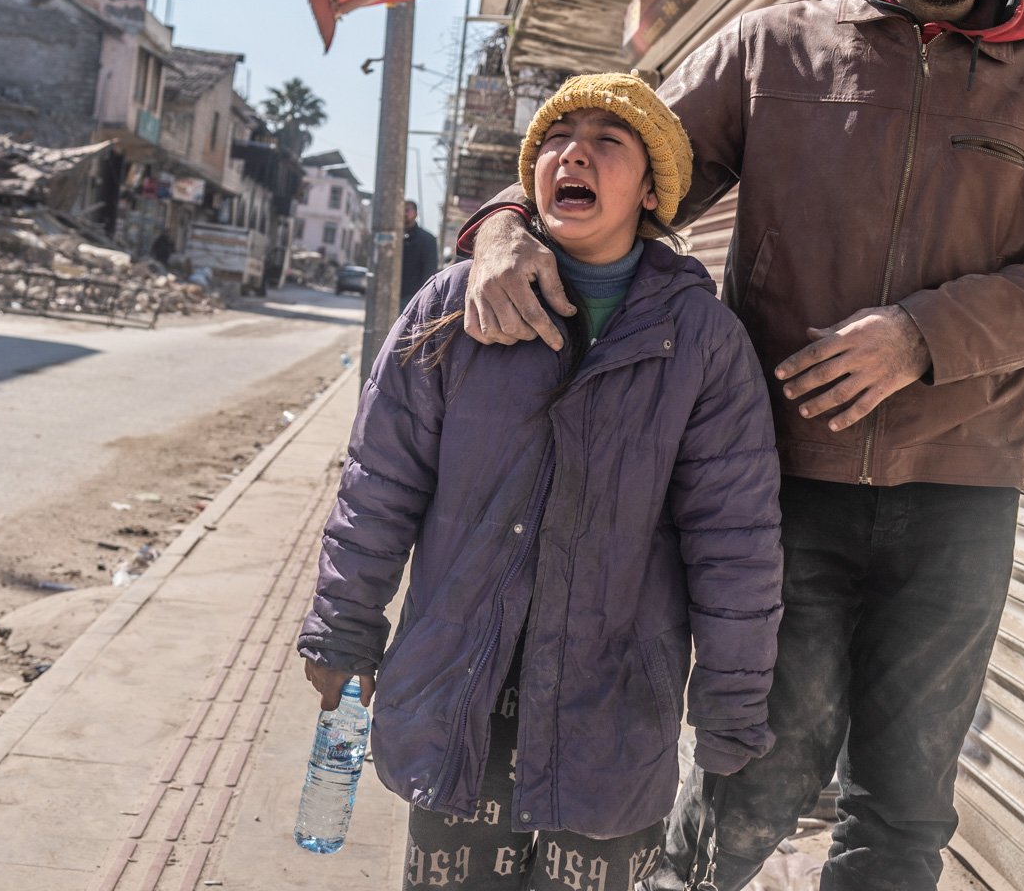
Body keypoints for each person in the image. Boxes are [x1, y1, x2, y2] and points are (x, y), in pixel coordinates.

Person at [458, 0, 1024, 889]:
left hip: (962, 496)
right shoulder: (771, 49)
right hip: (784, 487)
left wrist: (921, 337)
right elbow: (613, 166)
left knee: (906, 806)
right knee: (754, 775)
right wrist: (502, 226)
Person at [300, 74, 786, 890]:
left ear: (652, 187)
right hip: (462, 698)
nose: (575, 153)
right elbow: (379, 485)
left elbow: (735, 538)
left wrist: (733, 698)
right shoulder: (452, 310)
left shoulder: (702, 341)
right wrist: (344, 629)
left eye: (609, 141)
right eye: (558, 138)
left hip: (614, 716)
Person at [400, 198, 438, 306]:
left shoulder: (427, 239)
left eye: (407, 210)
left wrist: (422, 295)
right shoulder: (394, 237)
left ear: (415, 213)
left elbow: (430, 270)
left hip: (412, 296)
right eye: (401, 210)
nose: (404, 213)